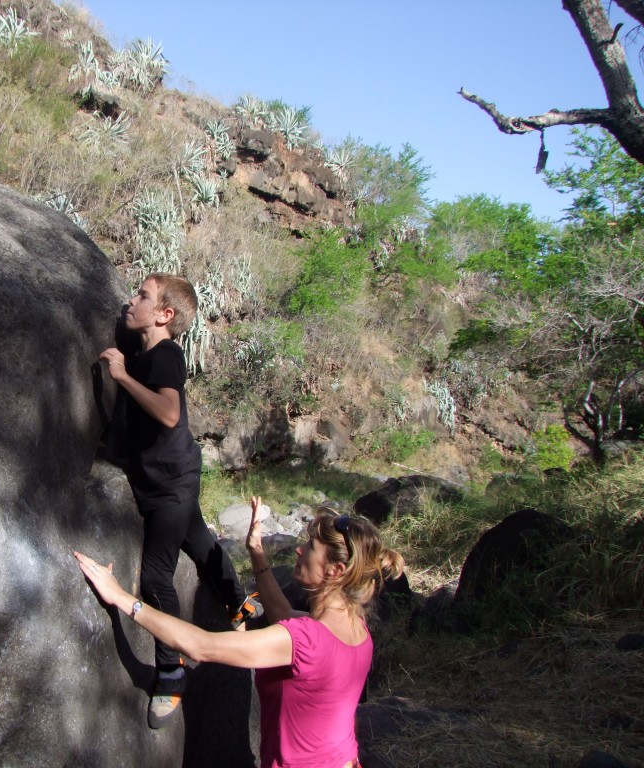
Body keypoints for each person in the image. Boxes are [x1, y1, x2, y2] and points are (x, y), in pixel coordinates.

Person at [74, 495, 405, 768]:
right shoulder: (357, 629)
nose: (300, 550)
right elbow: (283, 614)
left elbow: (200, 646)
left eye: (311, 546)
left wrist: (122, 598)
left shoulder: (304, 641)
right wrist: (256, 550)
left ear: (335, 570)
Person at [98, 273, 257, 729]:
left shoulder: (165, 354)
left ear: (165, 315)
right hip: (170, 476)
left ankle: (172, 669)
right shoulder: (144, 354)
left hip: (170, 485)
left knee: (155, 577)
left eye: (142, 296)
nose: (130, 302)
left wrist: (120, 376)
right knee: (198, 539)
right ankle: (239, 602)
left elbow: (168, 413)